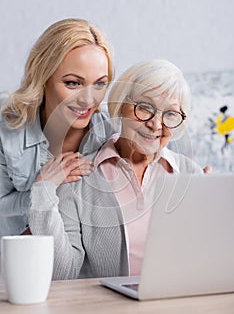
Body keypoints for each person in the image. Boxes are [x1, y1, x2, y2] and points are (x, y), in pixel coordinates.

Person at [28, 59, 203, 280]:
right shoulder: (79, 176)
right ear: (120, 106)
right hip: (109, 310)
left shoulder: (191, 175)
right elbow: (63, 273)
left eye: (170, 114)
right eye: (145, 108)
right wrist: (42, 192)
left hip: (177, 305)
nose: (156, 125)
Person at [0, 18, 115, 238]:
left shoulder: (112, 132)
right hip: (20, 261)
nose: (88, 99)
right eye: (73, 83)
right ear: (43, 78)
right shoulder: (8, 132)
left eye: (99, 83)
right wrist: (43, 188)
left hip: (87, 268)